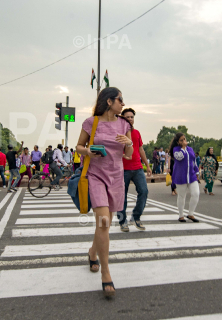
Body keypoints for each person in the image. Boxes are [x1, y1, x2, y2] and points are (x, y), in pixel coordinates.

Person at [77, 87, 133, 297]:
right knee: (103, 220)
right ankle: (106, 273)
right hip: (96, 175)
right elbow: (79, 147)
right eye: (120, 100)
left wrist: (129, 144)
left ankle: (92, 252)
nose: (123, 104)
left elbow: (128, 155)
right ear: (109, 101)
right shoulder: (91, 123)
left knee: (105, 224)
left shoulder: (124, 124)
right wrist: (88, 150)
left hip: (116, 176)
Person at [117, 108, 152, 232]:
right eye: (127, 117)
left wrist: (147, 166)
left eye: (132, 117)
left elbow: (141, 149)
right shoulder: (119, 134)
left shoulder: (137, 133)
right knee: (122, 196)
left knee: (144, 191)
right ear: (122, 118)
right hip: (123, 169)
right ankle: (122, 221)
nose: (130, 119)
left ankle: (136, 217)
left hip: (137, 168)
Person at [170, 133, 200, 223]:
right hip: (181, 176)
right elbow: (180, 157)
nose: (184, 141)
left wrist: (197, 172)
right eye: (181, 140)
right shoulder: (176, 150)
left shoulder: (190, 149)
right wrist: (183, 148)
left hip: (191, 175)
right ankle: (181, 215)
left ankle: (191, 213)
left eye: (184, 139)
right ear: (178, 142)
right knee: (182, 196)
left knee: (196, 193)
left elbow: (194, 161)